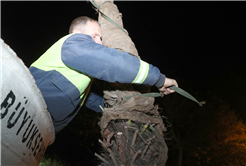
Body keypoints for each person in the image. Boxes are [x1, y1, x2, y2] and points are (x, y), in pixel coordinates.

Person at [29, 16, 178, 134]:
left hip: (38, 130)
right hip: (25, 110)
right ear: (77, 33)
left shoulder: (79, 74)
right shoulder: (71, 42)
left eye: (101, 39)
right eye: (95, 36)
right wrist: (159, 79)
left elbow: (87, 99)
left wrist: (116, 109)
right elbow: (111, 62)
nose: (100, 43)